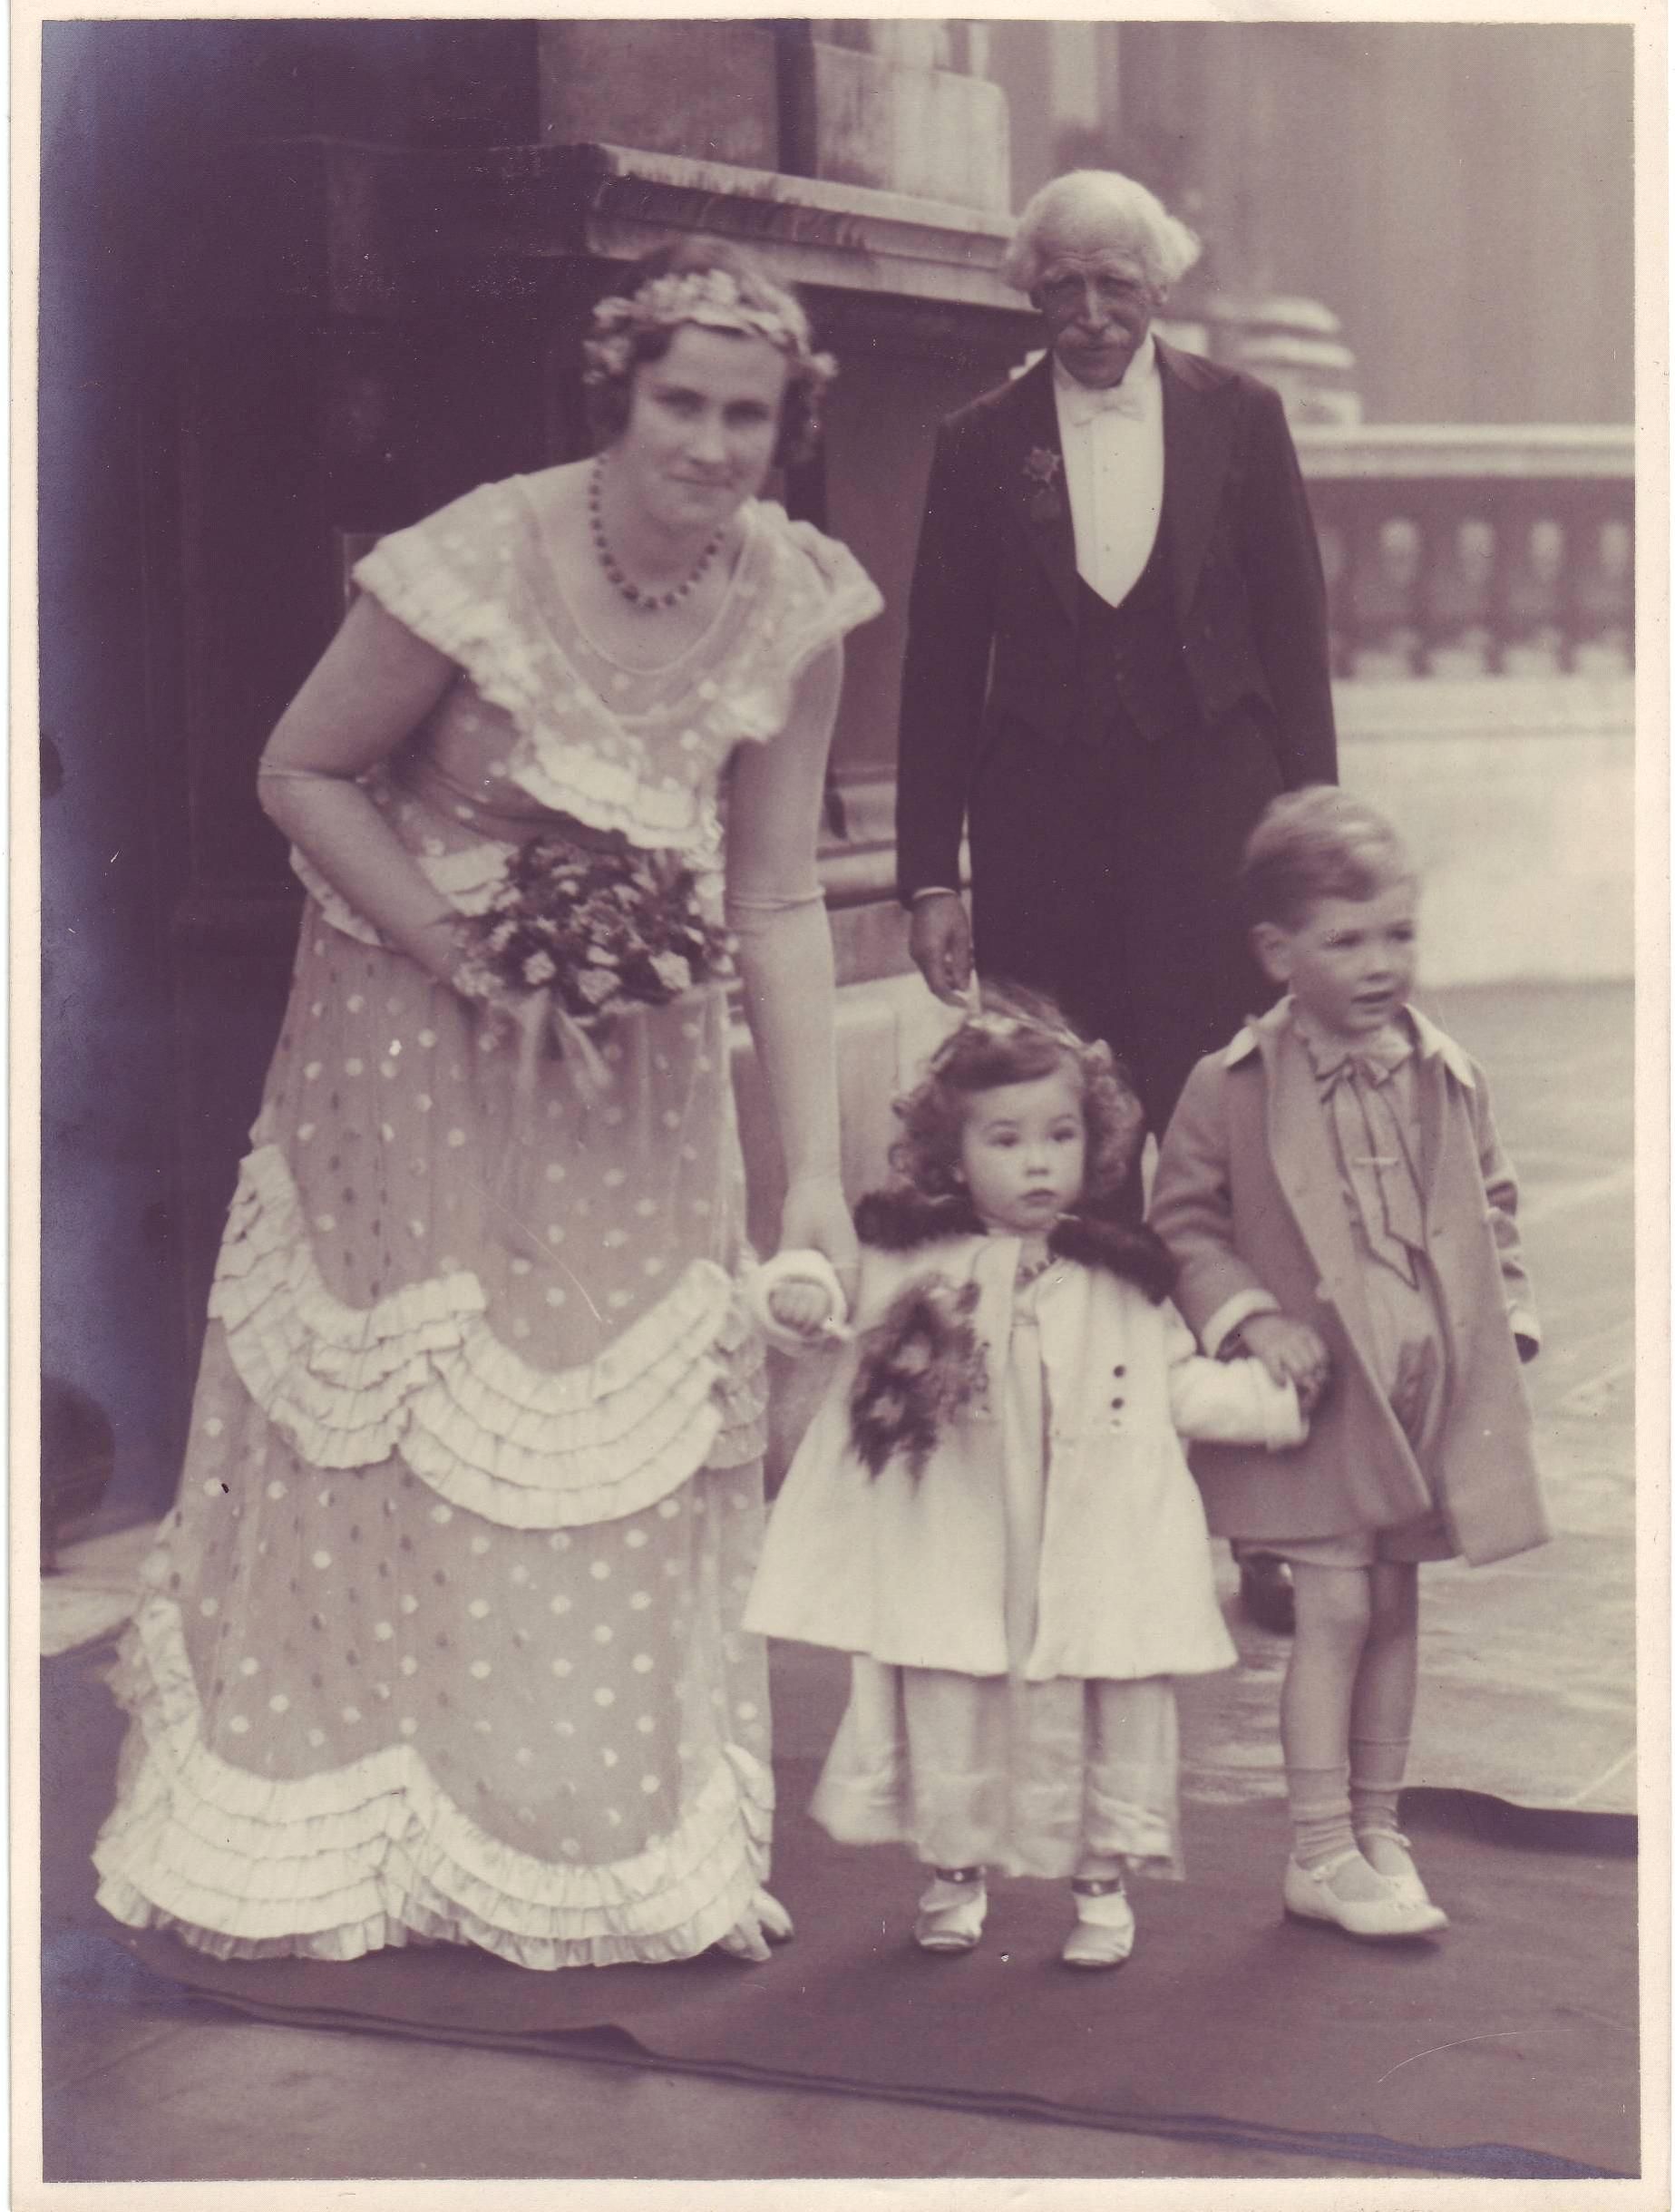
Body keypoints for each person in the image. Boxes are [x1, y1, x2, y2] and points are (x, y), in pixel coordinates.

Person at [93, 239, 883, 1969]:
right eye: (681, 402)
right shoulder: (476, 557)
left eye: (747, 416)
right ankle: (367, 1809)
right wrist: (467, 956)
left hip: (640, 1059)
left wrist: (814, 1176)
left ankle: (584, 1829)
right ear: (618, 395)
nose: (710, 444)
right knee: (417, 1402)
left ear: (786, 429)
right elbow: (298, 769)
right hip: (409, 1034)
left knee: (616, 1414)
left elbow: (775, 896)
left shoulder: (793, 600)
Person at [742, 991, 1310, 1968]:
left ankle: (1099, 1886)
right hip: (964, 1540)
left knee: (1089, 1700)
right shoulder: (912, 1261)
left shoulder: (1120, 1277)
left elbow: (1176, 1385)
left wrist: (1278, 1401)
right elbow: (834, 1308)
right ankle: (953, 1873)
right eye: (1004, 1140)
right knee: (952, 1693)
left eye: (1059, 1135)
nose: (1037, 1162)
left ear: (1094, 1143)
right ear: (953, 1154)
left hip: (1080, 1550)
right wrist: (794, 1293)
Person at [1149, 789, 1549, 1940]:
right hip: (1323, 1403)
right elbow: (1183, 1224)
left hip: (1420, 1399)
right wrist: (1248, 1320)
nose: (1380, 964)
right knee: (1330, 1609)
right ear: (1277, 953)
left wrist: (1505, 1323)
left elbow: (1492, 1206)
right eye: (1346, 941)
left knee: (1392, 1607)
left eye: (1397, 934)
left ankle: (1378, 1829)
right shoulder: (1231, 1085)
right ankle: (1317, 1850)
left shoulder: (1441, 1072)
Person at [895, 169, 1339, 1143]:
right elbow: (938, 669)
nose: (1091, 315)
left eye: (1116, 285)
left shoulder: (1243, 415)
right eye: (1064, 286)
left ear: (1160, 285)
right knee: (1060, 1119)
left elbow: (1295, 638)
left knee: (1219, 1115)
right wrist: (928, 880)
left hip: (1214, 827)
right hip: (1038, 842)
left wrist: (1318, 851)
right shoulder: (976, 443)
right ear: (1031, 289)